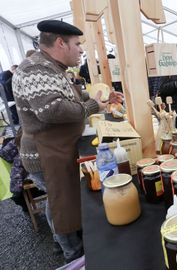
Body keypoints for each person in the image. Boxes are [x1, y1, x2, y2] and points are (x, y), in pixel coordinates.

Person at [12, 20, 123, 264]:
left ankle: (66, 240)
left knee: (66, 198)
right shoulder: (35, 69)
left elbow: (73, 95)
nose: (81, 50)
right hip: (45, 153)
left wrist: (99, 97)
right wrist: (93, 106)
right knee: (61, 202)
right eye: (77, 44)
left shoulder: (53, 67)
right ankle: (72, 254)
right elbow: (52, 110)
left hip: (58, 147)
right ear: (60, 43)